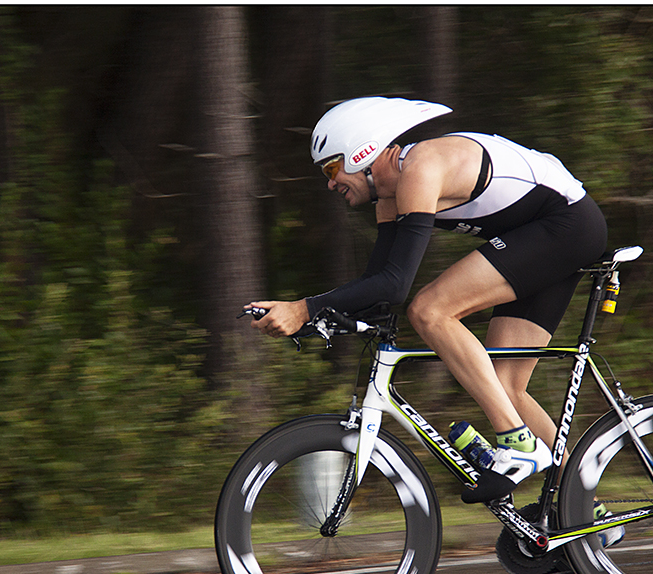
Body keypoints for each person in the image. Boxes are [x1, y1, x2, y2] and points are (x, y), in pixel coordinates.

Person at [246, 97, 607, 504]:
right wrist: (314, 317)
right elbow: (376, 287)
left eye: (332, 169)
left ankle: (517, 445)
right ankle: (582, 510)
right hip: (549, 234)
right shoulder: (389, 197)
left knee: (430, 310)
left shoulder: (421, 168)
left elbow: (396, 285)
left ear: (362, 152)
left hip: (567, 225)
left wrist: (303, 308)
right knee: (505, 386)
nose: (330, 183)